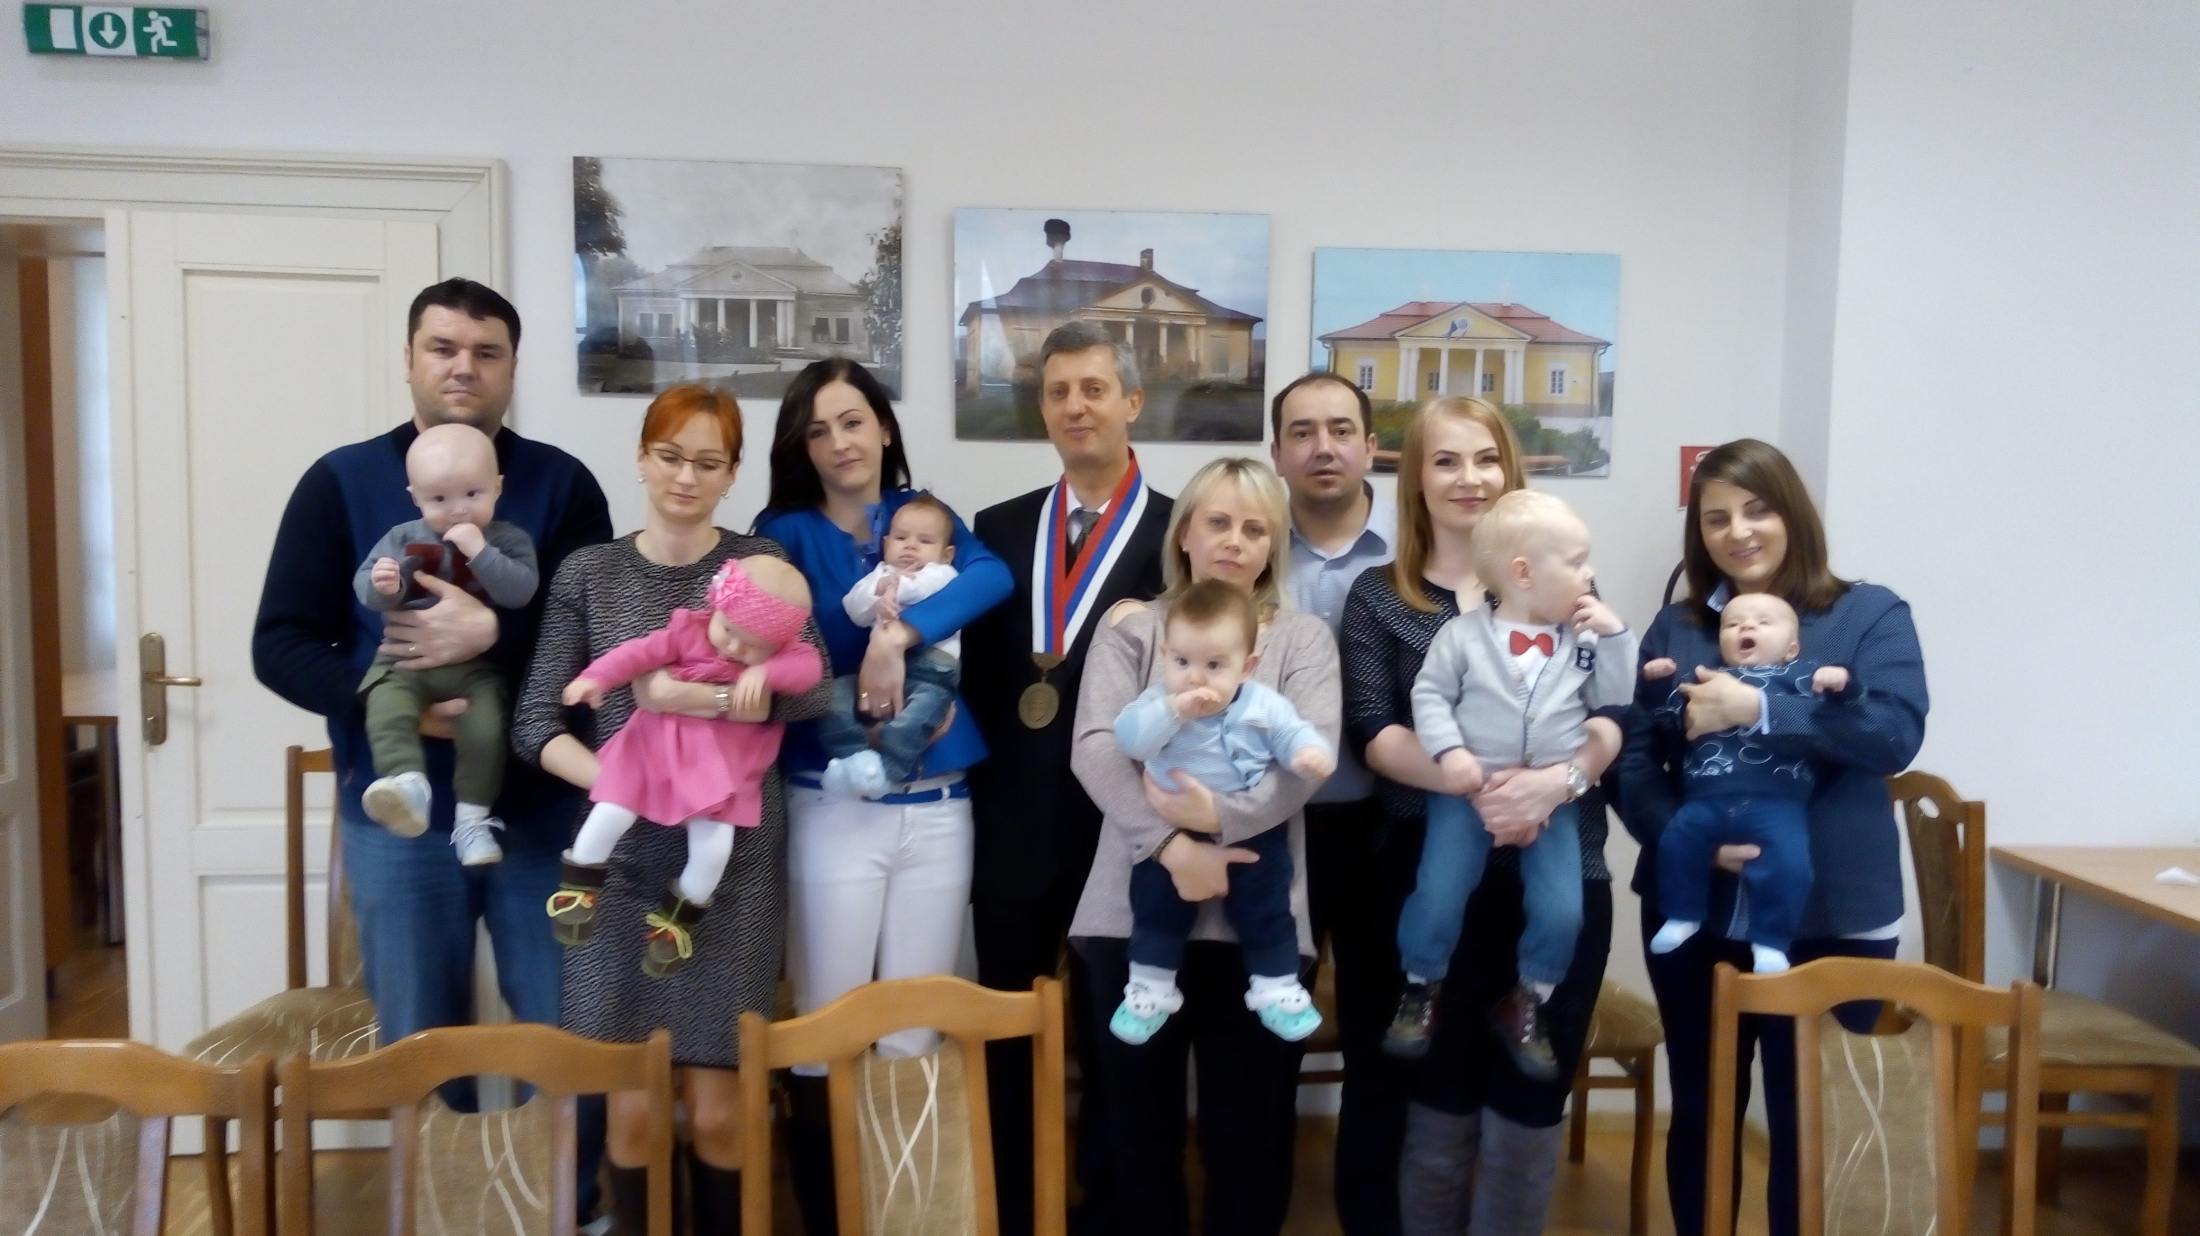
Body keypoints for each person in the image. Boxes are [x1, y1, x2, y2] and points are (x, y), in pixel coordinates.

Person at [251, 278, 613, 1215]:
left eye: (486, 352)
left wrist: (493, 637)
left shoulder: (564, 485)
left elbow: (597, 639)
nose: (463, 368)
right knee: (418, 1043)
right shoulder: (338, 482)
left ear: (513, 369)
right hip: (399, 823)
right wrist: (395, 706)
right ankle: (438, 1216)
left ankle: (567, 1212)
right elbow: (280, 643)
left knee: (567, 1034)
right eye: (443, 348)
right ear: (409, 359)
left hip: (543, 816)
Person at [513, 384, 829, 1234]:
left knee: (722, 1113)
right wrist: (628, 785)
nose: (685, 477)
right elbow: (536, 723)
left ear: (731, 473)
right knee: (633, 1114)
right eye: (670, 456)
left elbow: (813, 692)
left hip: (728, 867)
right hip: (616, 872)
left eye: (708, 462)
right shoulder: (590, 571)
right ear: (642, 457)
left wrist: (718, 700)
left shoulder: (762, 565)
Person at [1616, 438, 1927, 1236]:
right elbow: (1635, 760)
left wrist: (1759, 709)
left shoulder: (1869, 614)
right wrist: (1681, 836)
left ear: (1793, 512)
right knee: (1703, 1108)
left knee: (1813, 1117)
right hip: (1696, 903)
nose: (1738, 532)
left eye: (1757, 510)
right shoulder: (1677, 628)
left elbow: (1893, 735)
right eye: (1716, 518)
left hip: (1836, 910)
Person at [1337, 396, 1622, 1236]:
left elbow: (1616, 715)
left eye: (1487, 457)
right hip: (1434, 867)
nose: (1470, 478)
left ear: (1512, 469)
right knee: (1437, 1095)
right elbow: (1374, 731)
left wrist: (1555, 785)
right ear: (1416, 479)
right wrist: (1488, 787)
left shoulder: (1571, 586)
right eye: (1446, 460)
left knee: (1530, 1102)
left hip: (1561, 862)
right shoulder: (1379, 596)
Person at [754, 359, 1012, 1236]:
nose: (839, 443)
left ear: (885, 427)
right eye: (818, 430)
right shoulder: (782, 531)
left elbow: (991, 579)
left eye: (853, 421)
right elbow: (774, 640)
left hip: (939, 803)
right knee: (826, 1028)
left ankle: (908, 1214)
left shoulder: (921, 515)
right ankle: (830, 1215)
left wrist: (897, 638)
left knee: (915, 1029)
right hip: (831, 800)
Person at [1069, 456, 1338, 1236]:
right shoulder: (1133, 629)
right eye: (1217, 522)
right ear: (1184, 532)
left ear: (1273, 544)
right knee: (1134, 1131)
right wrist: (1171, 848)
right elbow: (1095, 749)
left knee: (1248, 1138)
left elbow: (1308, 761)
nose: (1234, 541)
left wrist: (1215, 819)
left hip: (1261, 923)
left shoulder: (1302, 638)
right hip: (1128, 911)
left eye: (1255, 528)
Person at [963, 321, 1174, 1236]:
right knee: (1007, 1028)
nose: (1075, 406)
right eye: (1058, 392)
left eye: (1094, 389)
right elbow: (979, 685)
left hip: (1122, 825)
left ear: (1132, 403)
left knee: (1119, 1036)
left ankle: (1112, 1210)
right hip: (1013, 822)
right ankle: (1012, 1205)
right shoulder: (999, 529)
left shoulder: (1180, 533)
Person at [1390, 490, 1636, 1072]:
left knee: (1563, 908)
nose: (1590, 573)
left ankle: (1530, 996)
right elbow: (1430, 695)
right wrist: (1449, 753)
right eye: (1576, 562)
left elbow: (1617, 699)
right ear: (1523, 574)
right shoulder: (1461, 636)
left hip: (1553, 799)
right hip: (1465, 791)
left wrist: (1617, 637)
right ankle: (1421, 984)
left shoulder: (1583, 638)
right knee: (1440, 890)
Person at [549, 556, 823, 976]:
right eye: (728, 631)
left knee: (714, 849)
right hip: (656, 749)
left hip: (719, 768)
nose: (733, 648)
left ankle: (677, 921)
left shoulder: (785, 655)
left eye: (753, 646)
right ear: (716, 607)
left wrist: (765, 672)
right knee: (611, 810)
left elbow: (810, 670)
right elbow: (636, 654)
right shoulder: (689, 631)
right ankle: (578, 890)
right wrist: (595, 678)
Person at [1267, 370, 1399, 1236]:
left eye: (1342, 430)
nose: (1324, 447)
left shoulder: (1410, 558)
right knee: (1268, 1024)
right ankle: (1260, 1209)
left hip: (1381, 824)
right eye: (1303, 431)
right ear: (1277, 452)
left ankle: (1371, 1212)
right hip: (1271, 825)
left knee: (1380, 1028)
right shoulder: (1245, 545)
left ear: (1371, 447)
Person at [1109, 578, 1335, 1045]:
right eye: (1182, 662)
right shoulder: (1157, 702)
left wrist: (1307, 753)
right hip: (1172, 829)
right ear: (1166, 655)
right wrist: (1173, 711)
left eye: (1214, 665)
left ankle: (1277, 987)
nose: (1195, 678)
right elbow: (1129, 740)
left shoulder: (1264, 704)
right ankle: (1150, 987)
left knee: (1267, 901)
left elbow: (1292, 732)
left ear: (1247, 667)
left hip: (1248, 826)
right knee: (1155, 903)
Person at [353, 422, 540, 864]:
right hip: (403, 662)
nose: (458, 510)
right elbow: (366, 588)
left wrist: (481, 552)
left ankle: (472, 820)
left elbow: (521, 591)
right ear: (415, 498)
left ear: (497, 487)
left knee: (487, 729)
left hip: (477, 670)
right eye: (439, 499)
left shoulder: (509, 539)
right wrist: (384, 585)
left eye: (472, 494)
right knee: (385, 707)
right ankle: (407, 785)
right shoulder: (401, 538)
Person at [1640, 593, 1855, 973]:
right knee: (1676, 843)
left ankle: (1770, 942)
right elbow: (1669, 721)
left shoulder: (1801, 676)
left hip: (1776, 802)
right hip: (1705, 799)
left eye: (1763, 622)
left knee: (1791, 866)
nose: (1747, 626)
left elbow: (1839, 722)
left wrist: (1842, 682)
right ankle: (1683, 914)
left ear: (1792, 649)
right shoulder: (1704, 678)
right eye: (1733, 623)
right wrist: (1659, 686)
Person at [814, 493, 965, 797]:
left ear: (947, 554)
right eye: (901, 537)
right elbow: (854, 608)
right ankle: (855, 760)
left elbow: (921, 589)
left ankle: (888, 771)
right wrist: (878, 592)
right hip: (874, 676)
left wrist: (893, 589)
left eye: (925, 541)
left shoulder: (943, 573)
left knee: (914, 721)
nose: (911, 546)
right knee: (832, 698)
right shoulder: (880, 574)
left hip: (931, 674)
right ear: (885, 544)